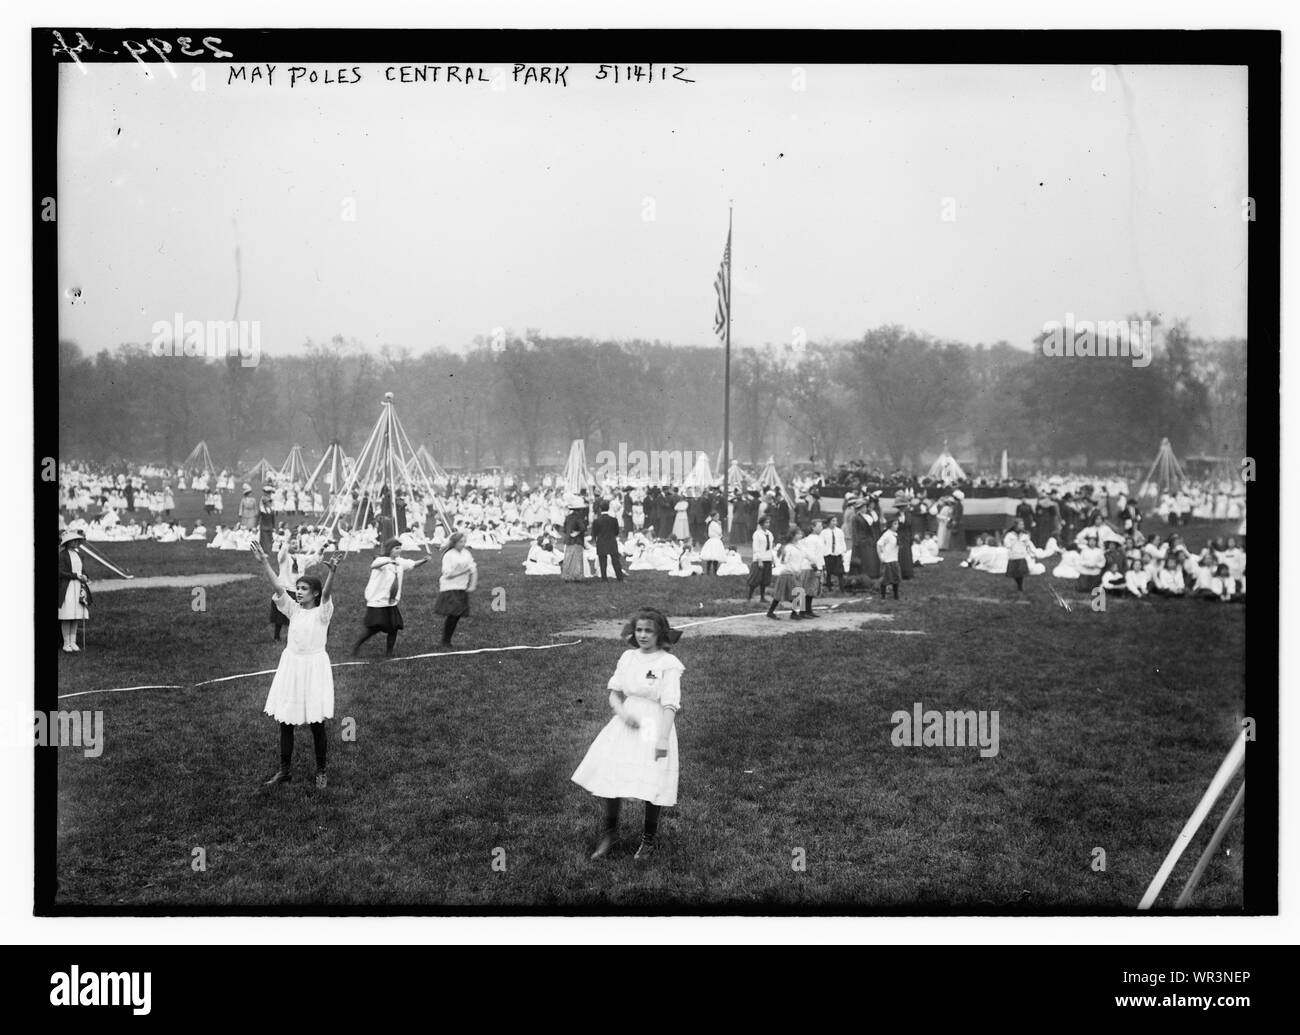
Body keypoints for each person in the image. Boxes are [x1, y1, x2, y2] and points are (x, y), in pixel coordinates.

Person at [572, 608, 684, 862]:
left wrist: (663, 738)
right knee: (612, 777)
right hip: (626, 721)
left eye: (649, 631)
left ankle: (648, 840)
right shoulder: (628, 657)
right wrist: (622, 713)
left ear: (660, 634)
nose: (643, 635)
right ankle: (610, 834)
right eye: (640, 630)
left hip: (654, 725)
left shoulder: (668, 664)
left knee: (651, 780)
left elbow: (669, 704)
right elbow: (615, 692)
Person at [250, 542, 341, 789]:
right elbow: (278, 587)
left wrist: (332, 572)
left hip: (313, 668)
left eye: (304, 589)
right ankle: (284, 770)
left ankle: (321, 770)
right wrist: (264, 563)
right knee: (286, 722)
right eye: (298, 588)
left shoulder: (323, 612)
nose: (299, 592)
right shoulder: (294, 610)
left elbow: (328, 595)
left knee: (316, 723)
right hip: (291, 666)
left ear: (315, 594)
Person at [353, 538, 431, 658]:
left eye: (400, 548)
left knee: (394, 627)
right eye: (396, 548)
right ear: (389, 549)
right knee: (374, 628)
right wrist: (387, 562)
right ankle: (357, 646)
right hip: (378, 601)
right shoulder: (382, 560)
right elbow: (373, 565)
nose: (399, 550)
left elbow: (412, 564)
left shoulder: (400, 562)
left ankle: (389, 652)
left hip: (391, 602)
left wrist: (424, 560)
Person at [434, 531, 478, 647]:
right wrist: (464, 571)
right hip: (449, 586)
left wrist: (472, 585)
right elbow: (447, 574)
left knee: (456, 615)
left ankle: (446, 639)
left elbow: (473, 569)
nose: (463, 544)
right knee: (453, 613)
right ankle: (446, 641)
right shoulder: (449, 555)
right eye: (460, 542)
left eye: (464, 541)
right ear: (454, 543)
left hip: (462, 586)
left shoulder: (466, 553)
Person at [58, 529, 91, 652]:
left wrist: (85, 576)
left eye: (77, 540)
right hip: (67, 587)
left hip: (78, 586)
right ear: (68, 542)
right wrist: (75, 576)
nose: (76, 542)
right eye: (74, 541)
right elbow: (60, 572)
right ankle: (66, 643)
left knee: (76, 615)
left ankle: (73, 641)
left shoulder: (79, 555)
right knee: (68, 615)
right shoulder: (62, 555)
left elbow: (83, 570)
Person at [591, 500, 625, 582]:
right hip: (611, 541)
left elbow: (594, 533)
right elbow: (616, 532)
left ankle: (604, 578)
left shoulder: (596, 521)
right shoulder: (614, 520)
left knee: (602, 562)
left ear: (600, 509)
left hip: (601, 542)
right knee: (616, 561)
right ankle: (619, 578)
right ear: (609, 508)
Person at [747, 515, 776, 603]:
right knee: (755, 578)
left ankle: (762, 597)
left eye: (768, 522)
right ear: (761, 524)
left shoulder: (769, 534)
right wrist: (759, 560)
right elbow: (756, 548)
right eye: (766, 522)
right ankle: (749, 596)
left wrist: (772, 558)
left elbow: (771, 548)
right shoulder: (757, 534)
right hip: (759, 559)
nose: (768, 524)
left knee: (765, 579)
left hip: (767, 558)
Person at [562, 495, 588, 581]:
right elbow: (583, 528)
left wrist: (570, 533)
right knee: (577, 558)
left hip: (569, 540)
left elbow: (564, 528)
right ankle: (576, 576)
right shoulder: (579, 517)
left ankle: (567, 575)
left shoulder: (568, 517)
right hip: (577, 540)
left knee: (568, 558)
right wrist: (577, 533)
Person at [1003, 518, 1034, 593]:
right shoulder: (1010, 535)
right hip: (1013, 556)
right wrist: (1013, 543)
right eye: (1021, 524)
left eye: (1023, 524)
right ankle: (1018, 583)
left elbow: (1028, 544)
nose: (1023, 526)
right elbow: (1006, 544)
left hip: (1021, 556)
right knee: (1014, 573)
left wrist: (1031, 552)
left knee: (1021, 572)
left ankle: (1020, 585)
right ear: (1016, 525)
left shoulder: (1025, 535)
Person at [820, 514, 847, 593]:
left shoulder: (839, 531)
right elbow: (822, 543)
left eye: (836, 521)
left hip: (837, 554)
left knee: (840, 572)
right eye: (833, 521)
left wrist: (843, 552)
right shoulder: (824, 532)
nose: (835, 523)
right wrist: (824, 552)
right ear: (829, 522)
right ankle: (829, 587)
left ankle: (842, 588)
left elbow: (842, 542)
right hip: (828, 554)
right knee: (828, 572)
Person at [877, 517, 902, 599]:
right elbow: (879, 544)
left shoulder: (895, 534)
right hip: (887, 559)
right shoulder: (887, 535)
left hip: (894, 558)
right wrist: (881, 556)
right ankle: (883, 596)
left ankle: (896, 595)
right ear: (890, 525)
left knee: (896, 578)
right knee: (885, 578)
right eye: (895, 524)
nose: (897, 526)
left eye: (897, 524)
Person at [699, 511, 726, 576]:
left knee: (712, 556)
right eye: (716, 516)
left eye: (718, 516)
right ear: (713, 517)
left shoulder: (711, 523)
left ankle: (710, 571)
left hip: (713, 540)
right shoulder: (714, 524)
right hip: (715, 541)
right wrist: (720, 525)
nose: (718, 518)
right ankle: (713, 571)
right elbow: (719, 532)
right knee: (713, 556)